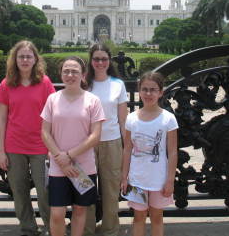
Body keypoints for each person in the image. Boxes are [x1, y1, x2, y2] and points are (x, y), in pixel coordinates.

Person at [41, 56, 106, 236]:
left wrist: (68, 156)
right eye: (66, 71)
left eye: (75, 71)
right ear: (61, 74)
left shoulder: (93, 100)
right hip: (58, 166)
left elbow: (95, 136)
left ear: (83, 75)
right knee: (57, 213)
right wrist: (61, 159)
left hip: (83, 167)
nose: (70, 75)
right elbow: (45, 132)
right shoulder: (52, 99)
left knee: (79, 210)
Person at [0, 40, 55, 236]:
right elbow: (2, 119)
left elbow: (52, 115)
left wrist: (52, 148)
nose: (25, 60)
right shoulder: (7, 83)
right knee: (19, 192)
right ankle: (28, 228)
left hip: (40, 145)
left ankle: (51, 227)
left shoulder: (44, 82)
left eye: (29, 56)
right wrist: (1, 151)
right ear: (15, 59)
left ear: (35, 59)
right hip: (14, 146)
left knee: (45, 192)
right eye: (21, 56)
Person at [121, 71, 178, 236]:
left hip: (158, 179)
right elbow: (127, 149)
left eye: (153, 89)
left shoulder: (168, 119)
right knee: (138, 217)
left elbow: (172, 152)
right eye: (144, 89)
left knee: (157, 217)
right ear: (139, 91)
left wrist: (170, 180)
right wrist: (124, 177)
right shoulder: (131, 119)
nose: (148, 93)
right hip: (137, 179)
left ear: (161, 92)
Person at [84, 44, 128, 236]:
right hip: (86, 144)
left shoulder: (118, 84)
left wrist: (128, 147)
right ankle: (87, 229)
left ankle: (110, 230)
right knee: (86, 189)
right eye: (96, 59)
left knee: (111, 190)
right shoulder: (83, 83)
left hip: (112, 142)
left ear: (109, 61)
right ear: (91, 61)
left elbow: (123, 119)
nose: (100, 63)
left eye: (103, 59)